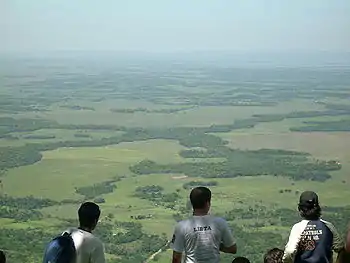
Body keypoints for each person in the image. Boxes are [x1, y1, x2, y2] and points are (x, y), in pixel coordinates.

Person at [170, 186, 237, 263]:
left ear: (192, 203)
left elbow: (176, 257)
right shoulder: (220, 223)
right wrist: (218, 245)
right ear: (208, 203)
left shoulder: (181, 226)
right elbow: (232, 249)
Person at [282, 191, 344, 263]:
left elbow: (290, 251)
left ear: (300, 209)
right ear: (318, 208)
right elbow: (341, 249)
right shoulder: (328, 226)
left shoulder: (298, 228)